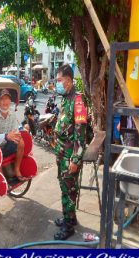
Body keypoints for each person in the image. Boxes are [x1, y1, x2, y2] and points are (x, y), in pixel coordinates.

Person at [53, 64, 87, 240]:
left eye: (59, 80)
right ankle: (70, 218)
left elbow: (80, 137)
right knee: (64, 186)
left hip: (69, 155)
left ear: (68, 80)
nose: (57, 83)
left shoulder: (78, 100)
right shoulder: (65, 98)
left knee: (68, 190)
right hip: (61, 152)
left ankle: (68, 227)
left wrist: (75, 160)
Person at [0, 88, 28, 181]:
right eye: (2, 99)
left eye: (7, 99)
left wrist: (17, 135)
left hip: (7, 145)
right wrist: (6, 136)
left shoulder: (11, 113)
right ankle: (2, 178)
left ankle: (17, 169)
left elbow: (15, 129)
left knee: (21, 141)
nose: (6, 102)